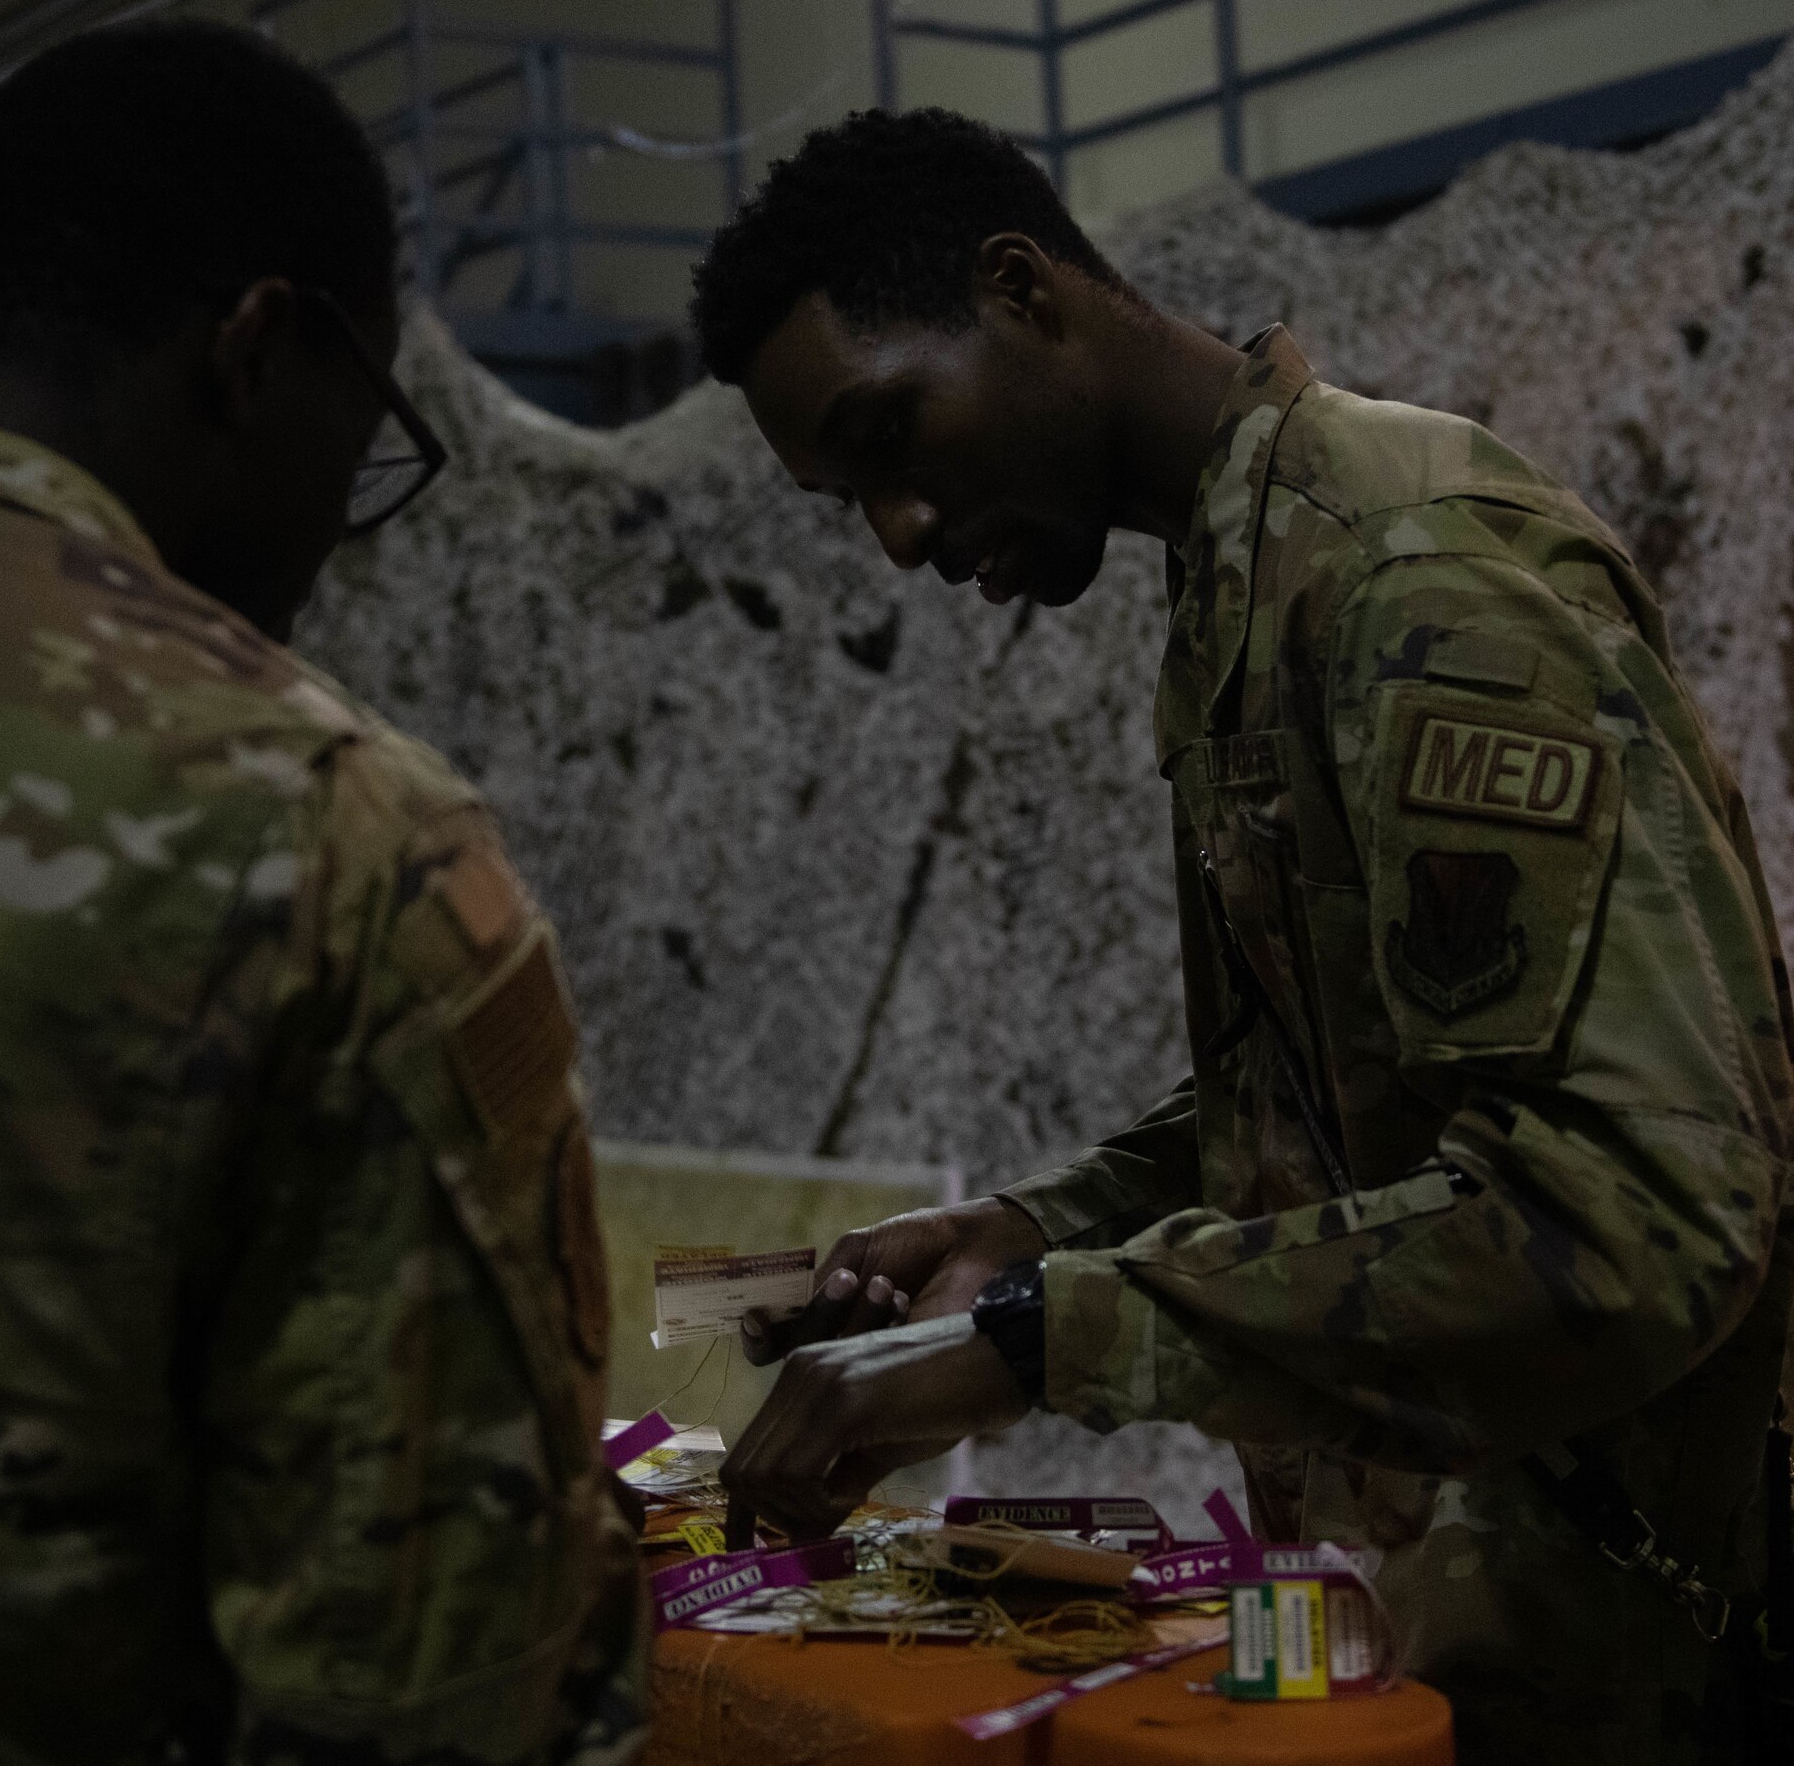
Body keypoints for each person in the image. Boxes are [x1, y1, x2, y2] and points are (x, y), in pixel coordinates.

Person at [691, 107, 1793, 1764]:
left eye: (891, 435)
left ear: (1023, 291)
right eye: (851, 495)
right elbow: (1361, 1099)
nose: (899, 534)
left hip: (1656, 1650)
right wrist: (1026, 1228)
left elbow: (1637, 1210)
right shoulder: (1250, 585)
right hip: (1475, 1615)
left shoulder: (1411, 579)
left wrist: (1035, 1337)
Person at [0, 23, 644, 1766]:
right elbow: (417, 1690)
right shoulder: (325, 835)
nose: (342, 526)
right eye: (368, 446)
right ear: (258, 351)